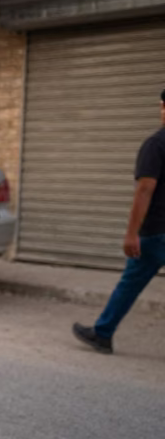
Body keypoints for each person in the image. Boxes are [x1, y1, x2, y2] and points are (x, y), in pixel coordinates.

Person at [73, 90, 165, 353]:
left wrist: (131, 234)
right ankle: (102, 332)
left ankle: (103, 333)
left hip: (156, 232)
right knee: (130, 282)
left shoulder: (156, 144)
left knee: (129, 283)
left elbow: (145, 189)